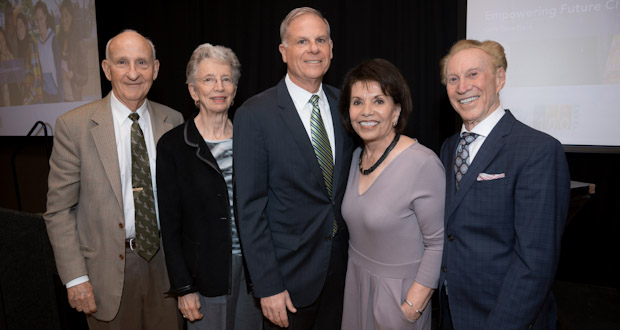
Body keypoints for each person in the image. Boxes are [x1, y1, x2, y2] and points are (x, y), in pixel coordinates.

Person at [44, 30, 183, 329]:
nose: (133, 73)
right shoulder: (74, 126)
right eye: (122, 62)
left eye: (142, 63)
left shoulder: (173, 121)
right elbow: (59, 211)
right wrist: (76, 278)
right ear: (107, 69)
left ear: (155, 69)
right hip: (105, 270)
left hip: (166, 266)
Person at [233, 6, 354, 330]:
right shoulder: (255, 114)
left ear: (331, 49)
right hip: (287, 281)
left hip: (343, 276)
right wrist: (267, 284)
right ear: (283, 52)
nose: (313, 48)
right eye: (302, 41)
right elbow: (249, 208)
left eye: (321, 40)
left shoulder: (347, 106)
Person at [438, 39, 570, 329]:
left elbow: (536, 263)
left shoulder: (538, 150)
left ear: (500, 79)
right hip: (452, 311)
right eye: (453, 78)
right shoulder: (449, 148)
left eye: (473, 74)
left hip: (504, 316)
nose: (462, 87)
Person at [157, 43, 262, 330]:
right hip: (206, 276)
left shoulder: (252, 138)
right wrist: (183, 287)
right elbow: (170, 226)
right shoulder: (173, 146)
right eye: (208, 79)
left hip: (254, 272)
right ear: (193, 91)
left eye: (226, 79)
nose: (219, 87)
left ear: (235, 89)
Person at [339, 58, 445, 330]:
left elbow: (438, 243)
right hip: (356, 286)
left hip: (399, 297)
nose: (366, 111)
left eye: (378, 101)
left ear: (396, 111)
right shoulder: (354, 159)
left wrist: (413, 306)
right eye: (357, 102)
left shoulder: (422, 163)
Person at [58, 0, 88, 101]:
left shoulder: (79, 43)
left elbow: (85, 77)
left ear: (72, 17)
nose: (63, 20)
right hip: (61, 98)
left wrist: (73, 75)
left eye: (66, 15)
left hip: (74, 98)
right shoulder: (59, 40)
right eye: (62, 16)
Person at [34, 0, 62, 103]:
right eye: (36, 20)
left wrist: (61, 96)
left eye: (41, 18)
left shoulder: (53, 39)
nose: (39, 23)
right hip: (45, 94)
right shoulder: (38, 43)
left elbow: (58, 69)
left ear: (45, 17)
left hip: (56, 92)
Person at [15, 12, 43, 105]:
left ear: (26, 27)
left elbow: (38, 79)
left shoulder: (31, 45)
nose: (19, 29)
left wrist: (28, 99)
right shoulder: (19, 48)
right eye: (17, 27)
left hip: (35, 100)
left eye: (21, 25)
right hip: (26, 98)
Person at [0, 27, 15, 106]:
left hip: (15, 97)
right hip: (5, 102)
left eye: (2, 40)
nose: (2, 44)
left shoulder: (10, 53)